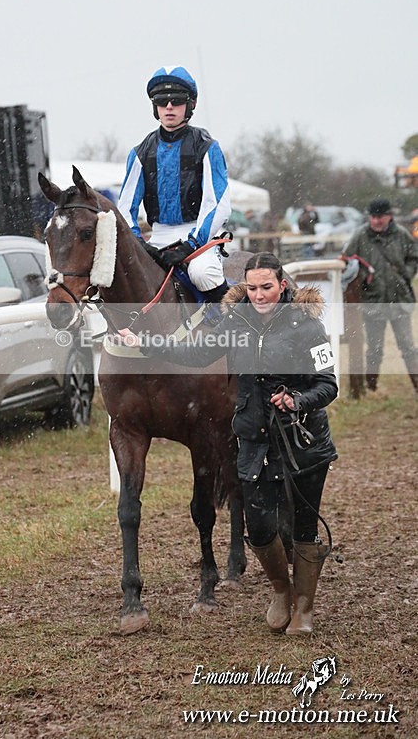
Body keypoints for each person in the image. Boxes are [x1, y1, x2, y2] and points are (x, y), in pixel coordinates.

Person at [119, 252, 338, 635]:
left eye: (267, 287)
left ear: (282, 285)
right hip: (254, 439)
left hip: (302, 441)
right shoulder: (235, 323)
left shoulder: (307, 325)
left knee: (303, 528)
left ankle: (304, 609)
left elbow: (327, 384)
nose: (259, 295)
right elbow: (194, 352)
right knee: (259, 527)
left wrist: (297, 400)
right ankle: (281, 591)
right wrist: (146, 342)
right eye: (252, 288)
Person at [117, 65, 231, 302]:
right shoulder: (139, 152)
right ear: (154, 107)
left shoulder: (207, 147)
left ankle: (232, 325)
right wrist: (139, 243)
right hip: (157, 236)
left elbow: (217, 204)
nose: (169, 107)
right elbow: (125, 208)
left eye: (177, 100)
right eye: (162, 101)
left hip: (200, 236)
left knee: (202, 274)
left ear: (191, 105)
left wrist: (190, 245)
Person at [342, 197, 418, 394]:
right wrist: (364, 278)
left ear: (389, 216)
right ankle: (371, 386)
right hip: (373, 301)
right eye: (373, 217)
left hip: (399, 300)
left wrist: (406, 275)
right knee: (375, 349)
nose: (376, 221)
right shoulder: (359, 236)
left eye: (380, 217)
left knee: (408, 347)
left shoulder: (401, 234)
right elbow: (346, 260)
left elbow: (413, 257)